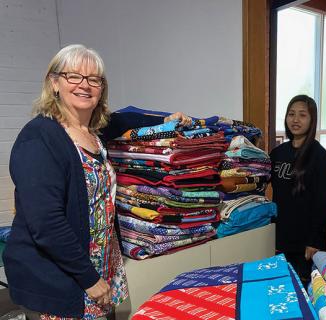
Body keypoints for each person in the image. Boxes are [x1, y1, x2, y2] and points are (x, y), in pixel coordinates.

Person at [3, 44, 191, 318]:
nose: (85, 85)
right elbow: (46, 222)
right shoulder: (39, 138)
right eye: (74, 76)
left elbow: (124, 118)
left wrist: (165, 119)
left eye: (94, 79)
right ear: (54, 83)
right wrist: (88, 278)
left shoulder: (94, 130)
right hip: (60, 274)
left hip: (98, 265)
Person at [269, 94, 326, 285]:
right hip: (279, 236)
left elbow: (324, 204)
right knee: (279, 285)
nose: (295, 120)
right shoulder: (278, 153)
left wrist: (315, 240)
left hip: (305, 243)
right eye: (291, 114)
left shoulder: (321, 158)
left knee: (303, 292)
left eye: (302, 115)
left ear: (312, 120)